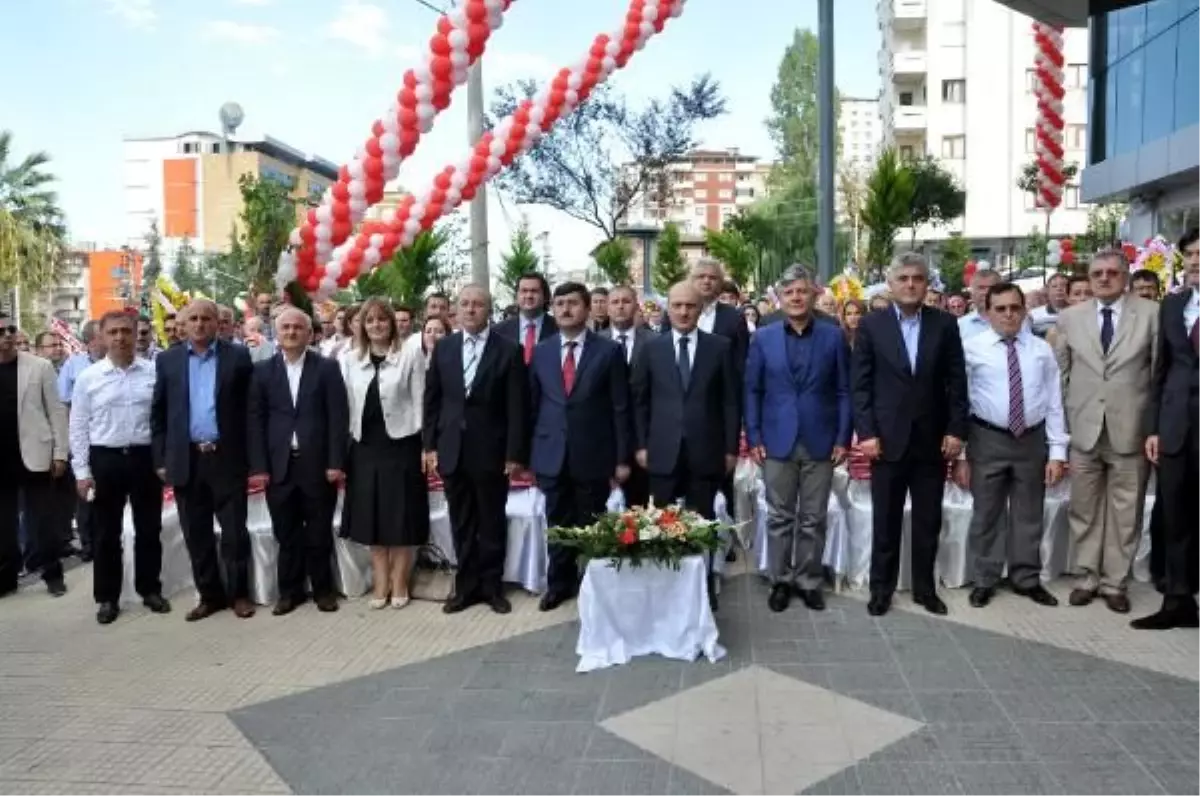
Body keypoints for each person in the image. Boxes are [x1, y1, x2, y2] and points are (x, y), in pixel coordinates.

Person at [852, 252, 969, 617]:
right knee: (885, 520)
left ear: (926, 284)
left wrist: (956, 429)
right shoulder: (872, 325)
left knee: (928, 521)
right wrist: (867, 432)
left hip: (932, 441)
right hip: (886, 440)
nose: (910, 284)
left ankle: (924, 589)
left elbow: (957, 382)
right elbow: (861, 385)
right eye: (902, 278)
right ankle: (881, 589)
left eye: (917, 278)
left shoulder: (945, 324)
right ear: (890, 283)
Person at [1054, 249, 1159, 614]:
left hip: (1130, 428)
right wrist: (1065, 423)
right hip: (1084, 429)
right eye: (1096, 272)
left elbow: (1158, 373)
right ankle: (1087, 577)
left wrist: (1152, 427)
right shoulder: (1070, 317)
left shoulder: (1151, 315)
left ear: (1125, 276)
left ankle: (1115, 582)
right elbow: (1061, 374)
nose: (1103, 278)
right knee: (1083, 507)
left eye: (1112, 272)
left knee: (1125, 511)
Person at [745, 265, 851, 613]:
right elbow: (753, 390)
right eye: (788, 292)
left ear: (814, 294)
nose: (795, 297)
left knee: (813, 517)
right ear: (779, 297)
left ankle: (808, 581)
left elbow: (843, 391)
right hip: (776, 440)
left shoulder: (833, 335)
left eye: (802, 291)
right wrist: (755, 434)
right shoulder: (763, 337)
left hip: (821, 440)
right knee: (778, 516)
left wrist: (842, 437)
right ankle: (780, 580)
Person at [953, 283, 1065, 609]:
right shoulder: (971, 348)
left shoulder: (1041, 350)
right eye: (1000, 308)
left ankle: (1026, 578)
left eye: (1015, 307)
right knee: (986, 513)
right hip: (986, 439)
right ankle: (985, 579)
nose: (1008, 314)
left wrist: (1057, 451)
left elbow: (1054, 402)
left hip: (1031, 440)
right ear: (987, 312)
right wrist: (960, 454)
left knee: (1029, 513)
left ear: (1024, 310)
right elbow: (959, 402)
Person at [423, 285, 528, 615]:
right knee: (462, 523)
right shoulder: (445, 349)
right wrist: (429, 446)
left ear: (489, 311)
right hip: (452, 449)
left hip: (492, 452)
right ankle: (466, 587)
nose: (471, 309)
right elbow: (432, 401)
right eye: (465, 304)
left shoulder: (509, 350)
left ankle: (492, 587)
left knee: (492, 521)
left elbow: (517, 407)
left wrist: (514, 454)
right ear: (456, 310)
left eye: (478, 305)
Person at [151, 299, 257, 621]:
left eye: (206, 319)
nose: (199, 324)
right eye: (193, 318)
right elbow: (159, 415)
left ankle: (239, 594)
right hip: (187, 460)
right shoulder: (168, 361)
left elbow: (249, 412)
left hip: (227, 458)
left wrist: (253, 459)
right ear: (183, 323)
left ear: (217, 323)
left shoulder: (237, 356)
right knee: (196, 534)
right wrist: (160, 459)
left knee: (235, 532)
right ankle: (210, 596)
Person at [529, 283, 631, 612]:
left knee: (591, 524)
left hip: (594, 454)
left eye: (573, 303)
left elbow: (620, 407)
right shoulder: (542, 352)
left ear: (587, 309)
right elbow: (533, 405)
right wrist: (529, 456)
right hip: (552, 453)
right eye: (559, 304)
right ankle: (559, 583)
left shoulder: (608, 351)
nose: (565, 309)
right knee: (557, 522)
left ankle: (593, 583)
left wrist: (621, 459)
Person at [68, 310, 171, 623]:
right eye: (112, 332)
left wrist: (164, 461)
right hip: (106, 459)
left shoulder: (154, 372)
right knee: (106, 533)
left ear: (136, 334)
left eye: (126, 331)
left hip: (145, 459)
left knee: (149, 529)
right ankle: (107, 598)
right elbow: (78, 427)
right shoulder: (89, 378)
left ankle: (149, 589)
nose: (120, 338)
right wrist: (82, 472)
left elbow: (164, 421)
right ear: (101, 337)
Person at [247, 308, 348, 616]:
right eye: (286, 327)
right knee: (286, 533)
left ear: (309, 333)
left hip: (317, 465)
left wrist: (335, 462)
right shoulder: (262, 371)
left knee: (318, 532)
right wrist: (260, 467)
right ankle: (290, 592)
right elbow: (255, 421)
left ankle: (323, 590)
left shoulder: (327, 368)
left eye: (297, 327)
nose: (291, 332)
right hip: (279, 467)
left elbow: (338, 418)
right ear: (276, 333)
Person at [341, 298, 428, 609]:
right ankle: (380, 581)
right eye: (369, 321)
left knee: (400, 516)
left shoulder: (410, 354)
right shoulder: (350, 359)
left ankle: (400, 580)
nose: (376, 325)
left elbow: (421, 400)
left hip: (402, 444)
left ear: (392, 323)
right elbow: (346, 406)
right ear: (361, 326)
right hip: (365, 447)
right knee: (372, 517)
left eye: (382, 320)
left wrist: (425, 446)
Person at [1135, 230, 1200, 630]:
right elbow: (1161, 372)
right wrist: (1154, 428)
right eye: (1190, 254)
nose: (1195, 260)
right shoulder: (1172, 307)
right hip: (1176, 426)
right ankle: (1177, 601)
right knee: (1175, 515)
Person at [632, 282, 738, 521]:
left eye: (690, 306)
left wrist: (731, 449)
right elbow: (640, 402)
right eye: (677, 305)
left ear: (700, 309)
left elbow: (730, 402)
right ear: (667, 308)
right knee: (661, 526)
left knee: (703, 524)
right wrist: (640, 445)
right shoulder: (651, 349)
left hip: (706, 452)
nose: (683, 312)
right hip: (661, 451)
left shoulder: (720, 348)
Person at [0, 313, 69, 599]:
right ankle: (6, 578)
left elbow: (56, 410)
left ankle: (52, 574)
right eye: (1, 331)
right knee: (3, 526)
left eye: (10, 330)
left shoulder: (39, 367)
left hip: (35, 454)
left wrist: (60, 453)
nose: (6, 335)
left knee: (42, 522)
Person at [599, 285, 655, 507]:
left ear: (636, 306)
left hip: (645, 439)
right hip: (606, 439)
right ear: (607, 307)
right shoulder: (595, 342)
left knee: (641, 510)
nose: (620, 306)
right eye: (615, 302)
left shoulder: (655, 342)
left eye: (626, 301)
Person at [58, 319, 106, 563]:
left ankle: (109, 540)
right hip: (83, 438)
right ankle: (88, 544)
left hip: (108, 438)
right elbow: (63, 403)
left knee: (108, 494)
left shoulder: (115, 365)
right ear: (90, 342)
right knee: (86, 494)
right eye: (102, 336)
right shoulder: (73, 366)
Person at [494, 273, 557, 364]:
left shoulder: (559, 329)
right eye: (524, 291)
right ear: (516, 296)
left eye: (534, 291)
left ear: (545, 297)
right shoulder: (498, 331)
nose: (529, 296)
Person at [957, 267, 1002, 340]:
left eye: (991, 288)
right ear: (971, 293)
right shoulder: (959, 326)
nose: (986, 292)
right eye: (981, 288)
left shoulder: (1020, 323)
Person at [1030, 272, 1070, 337]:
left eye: (1063, 285)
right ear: (1048, 291)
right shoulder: (1033, 315)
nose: (1059, 289)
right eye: (1054, 286)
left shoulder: (1077, 313)